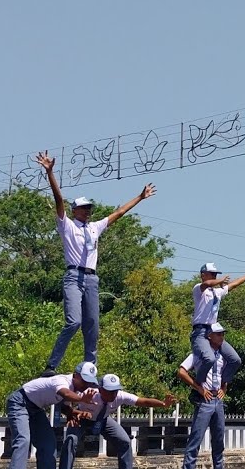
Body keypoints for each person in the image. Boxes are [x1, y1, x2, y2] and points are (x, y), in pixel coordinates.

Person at [35, 151, 155, 374]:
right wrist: (50, 173)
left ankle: (90, 368)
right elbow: (58, 200)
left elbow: (118, 212)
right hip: (73, 276)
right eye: (84, 208)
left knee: (93, 326)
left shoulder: (94, 227)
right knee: (73, 322)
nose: (89, 211)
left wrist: (140, 197)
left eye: (90, 208)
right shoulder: (67, 225)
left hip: (91, 278)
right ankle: (51, 365)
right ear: (75, 210)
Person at [58, 373, 174, 469]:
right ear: (101, 389)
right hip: (81, 418)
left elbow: (143, 401)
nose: (113, 395)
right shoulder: (89, 393)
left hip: (103, 420)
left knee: (124, 441)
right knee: (70, 441)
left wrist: (163, 404)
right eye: (109, 391)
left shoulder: (120, 396)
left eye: (115, 390)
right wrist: (72, 413)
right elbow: (65, 401)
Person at [5, 361, 100, 469]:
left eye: (89, 382)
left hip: (36, 409)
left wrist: (74, 413)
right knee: (23, 440)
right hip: (19, 403)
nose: (86, 385)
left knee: (48, 443)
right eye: (84, 380)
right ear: (75, 376)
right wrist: (81, 399)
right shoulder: (62, 381)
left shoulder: (75, 390)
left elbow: (65, 407)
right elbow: (64, 393)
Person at [175, 323, 237, 469]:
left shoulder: (223, 356)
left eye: (222, 334)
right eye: (218, 334)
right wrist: (199, 388)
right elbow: (181, 371)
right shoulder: (199, 354)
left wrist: (224, 388)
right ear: (209, 336)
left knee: (218, 441)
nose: (221, 337)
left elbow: (225, 375)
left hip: (217, 398)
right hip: (205, 399)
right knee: (196, 439)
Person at [190, 262, 245, 396]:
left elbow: (234, 284)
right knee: (209, 359)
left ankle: (221, 385)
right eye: (212, 274)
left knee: (235, 360)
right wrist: (219, 280)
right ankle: (198, 386)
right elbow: (207, 284)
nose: (214, 276)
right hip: (200, 332)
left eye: (216, 275)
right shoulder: (198, 289)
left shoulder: (217, 292)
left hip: (212, 332)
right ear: (203, 275)